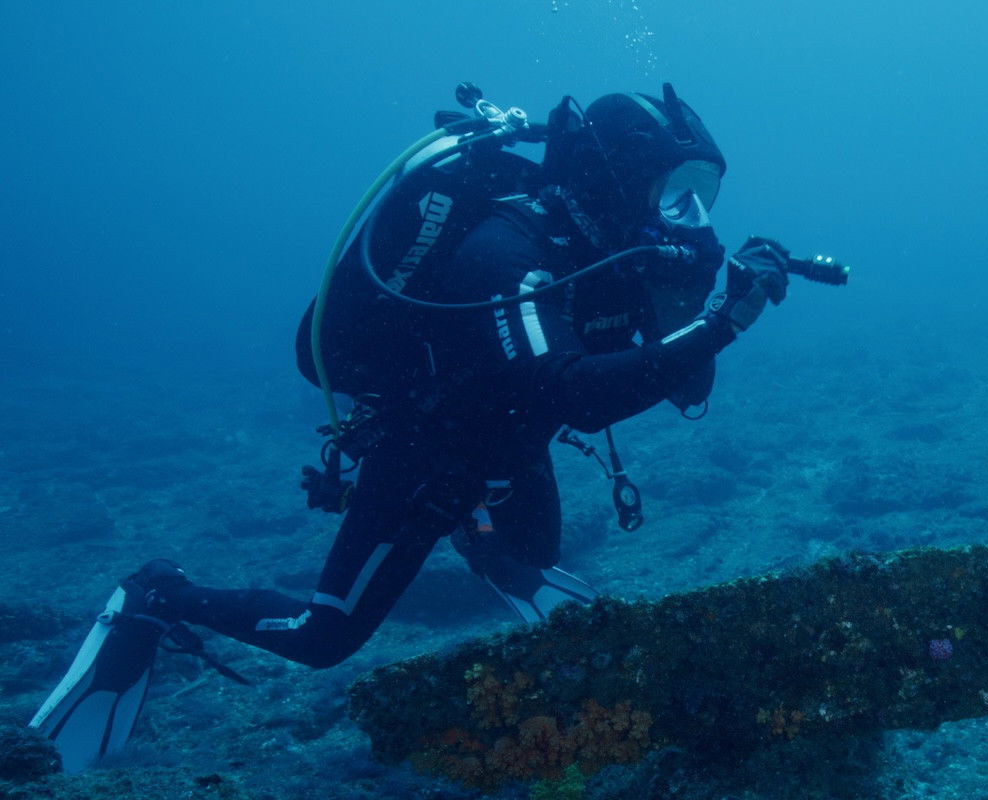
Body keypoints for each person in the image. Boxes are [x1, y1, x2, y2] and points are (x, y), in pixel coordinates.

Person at [30, 85, 796, 771]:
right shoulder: (509, 249)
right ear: (618, 178)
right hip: (428, 452)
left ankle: (480, 535)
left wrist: (701, 295)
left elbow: (687, 387)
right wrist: (725, 322)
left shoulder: (620, 255)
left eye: (702, 195)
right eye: (675, 191)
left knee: (530, 560)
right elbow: (575, 395)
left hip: (512, 437)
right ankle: (159, 593)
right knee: (321, 637)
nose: (690, 216)